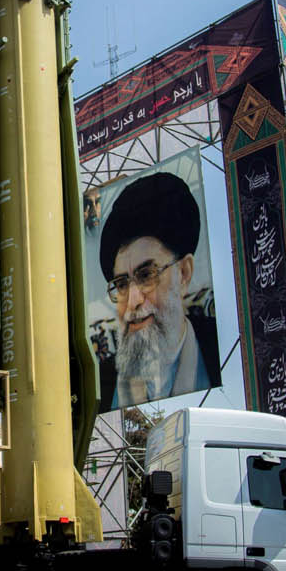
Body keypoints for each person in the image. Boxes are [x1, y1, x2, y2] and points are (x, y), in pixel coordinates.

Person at [97, 171, 221, 409]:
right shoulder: (100, 383)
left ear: (183, 273)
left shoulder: (220, 352)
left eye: (146, 275)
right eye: (121, 284)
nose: (133, 301)